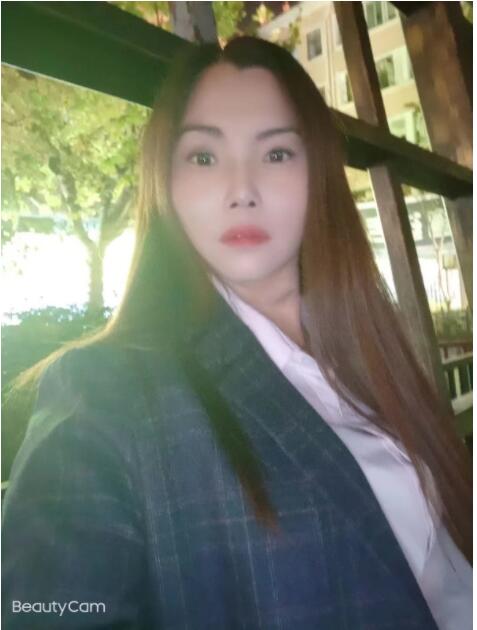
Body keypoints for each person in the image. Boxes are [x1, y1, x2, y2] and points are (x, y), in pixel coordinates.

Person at [2, 36, 472, 630]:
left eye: (276, 154)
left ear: (319, 176)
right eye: (204, 157)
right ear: (165, 183)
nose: (242, 190)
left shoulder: (369, 355)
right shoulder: (104, 392)